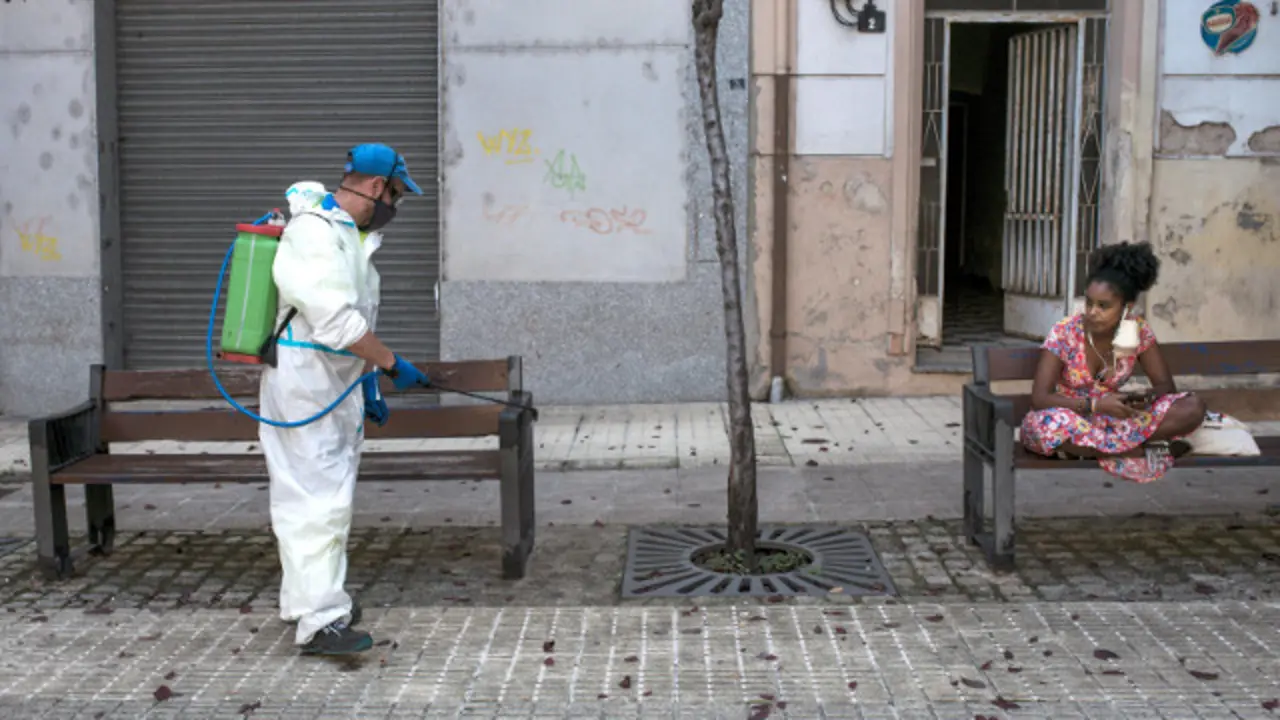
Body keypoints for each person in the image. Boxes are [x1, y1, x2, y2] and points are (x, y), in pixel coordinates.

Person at [259, 143, 430, 655]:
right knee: (317, 502)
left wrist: (370, 382)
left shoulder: (350, 237)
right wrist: (391, 363)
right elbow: (335, 322)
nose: (395, 206)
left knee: (316, 496)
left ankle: (307, 600)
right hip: (306, 388)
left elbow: (354, 320)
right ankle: (321, 623)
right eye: (397, 194)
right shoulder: (314, 234)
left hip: (331, 386)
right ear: (378, 186)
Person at [1021, 241, 1208, 483]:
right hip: (1073, 416)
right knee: (1044, 426)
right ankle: (1134, 450)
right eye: (1089, 303)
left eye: (1103, 306)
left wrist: (1142, 398)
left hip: (1117, 419)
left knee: (1191, 407)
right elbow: (1040, 398)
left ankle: (1104, 448)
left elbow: (1165, 387)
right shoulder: (1066, 332)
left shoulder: (1133, 331)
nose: (1092, 312)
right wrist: (1095, 406)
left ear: (1125, 308)